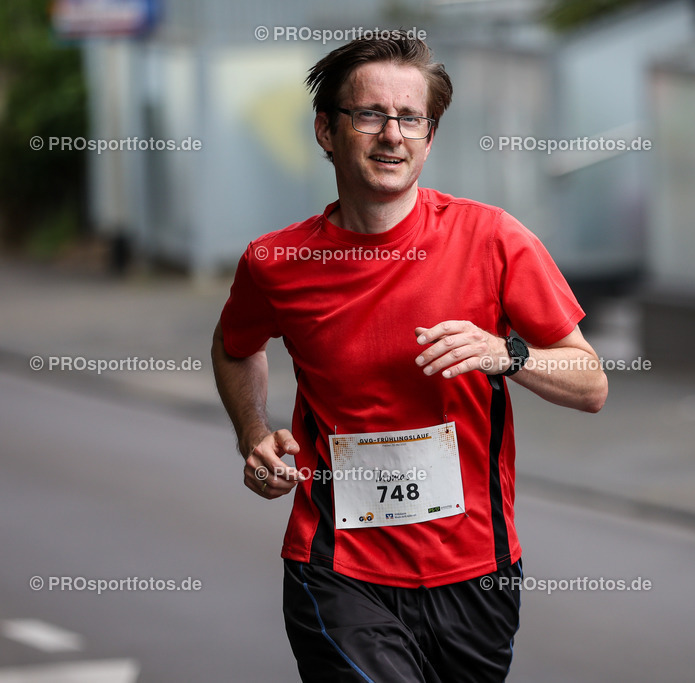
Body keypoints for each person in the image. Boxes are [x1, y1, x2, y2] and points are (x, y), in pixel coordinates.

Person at [212, 35, 607, 682]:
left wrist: (503, 352)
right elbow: (235, 346)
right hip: (337, 568)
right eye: (369, 114)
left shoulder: (494, 239)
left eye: (411, 118)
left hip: (476, 573)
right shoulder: (276, 264)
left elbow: (590, 381)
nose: (391, 135)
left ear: (429, 135)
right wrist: (253, 433)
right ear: (326, 130)